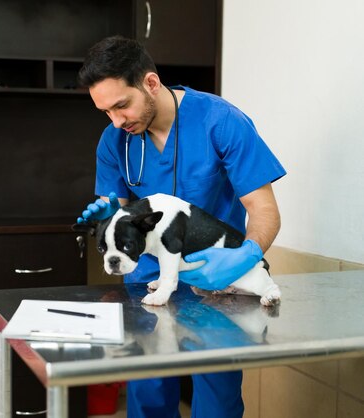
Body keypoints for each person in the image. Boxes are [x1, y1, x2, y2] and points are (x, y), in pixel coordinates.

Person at [76, 36, 286, 418]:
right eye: (105, 112)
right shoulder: (114, 141)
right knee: (148, 395)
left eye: (122, 105)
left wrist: (245, 256)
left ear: (151, 84)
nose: (117, 121)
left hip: (217, 282)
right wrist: (104, 217)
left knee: (217, 400)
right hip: (147, 283)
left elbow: (264, 209)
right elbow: (120, 215)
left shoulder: (221, 122)